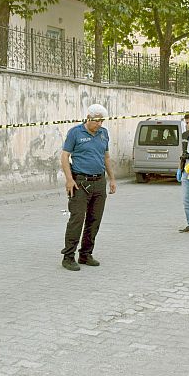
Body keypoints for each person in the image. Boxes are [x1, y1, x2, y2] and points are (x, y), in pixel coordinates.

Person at [60, 104, 117, 271]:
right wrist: (69, 180)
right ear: (88, 117)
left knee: (94, 220)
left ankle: (86, 254)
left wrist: (112, 179)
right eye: (97, 120)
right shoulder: (75, 132)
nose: (99, 124)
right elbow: (64, 157)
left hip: (99, 182)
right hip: (80, 182)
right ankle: (68, 256)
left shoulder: (103, 133)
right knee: (77, 219)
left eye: (102, 121)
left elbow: (106, 157)